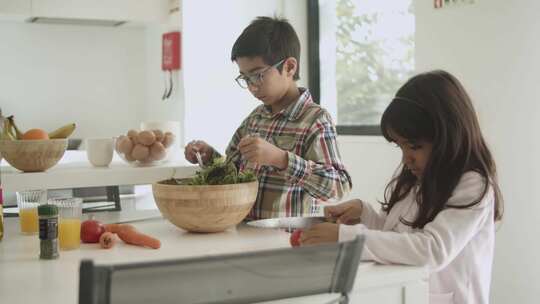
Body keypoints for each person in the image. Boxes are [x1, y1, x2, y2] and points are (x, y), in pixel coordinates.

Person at [301, 70, 503, 304]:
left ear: (448, 136)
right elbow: (398, 238)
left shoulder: (473, 184)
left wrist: (346, 238)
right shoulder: (416, 178)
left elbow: (431, 249)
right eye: (401, 147)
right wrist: (365, 214)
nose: (406, 158)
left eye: (414, 146)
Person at [184, 16, 352, 219]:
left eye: (258, 75)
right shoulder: (255, 118)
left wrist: (281, 159)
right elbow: (231, 171)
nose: (252, 86)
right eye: (245, 78)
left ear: (289, 67)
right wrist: (209, 156)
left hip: (285, 242)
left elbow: (338, 187)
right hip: (245, 235)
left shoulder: (315, 120)